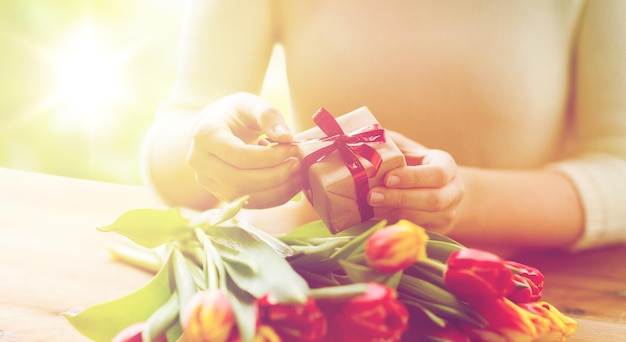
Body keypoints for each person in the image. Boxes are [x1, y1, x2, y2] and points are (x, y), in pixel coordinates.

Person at [141, 0, 626, 251]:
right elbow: (173, 145)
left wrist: (465, 201)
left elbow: (618, 168)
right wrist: (206, 149)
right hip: (324, 291)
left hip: (515, 301)